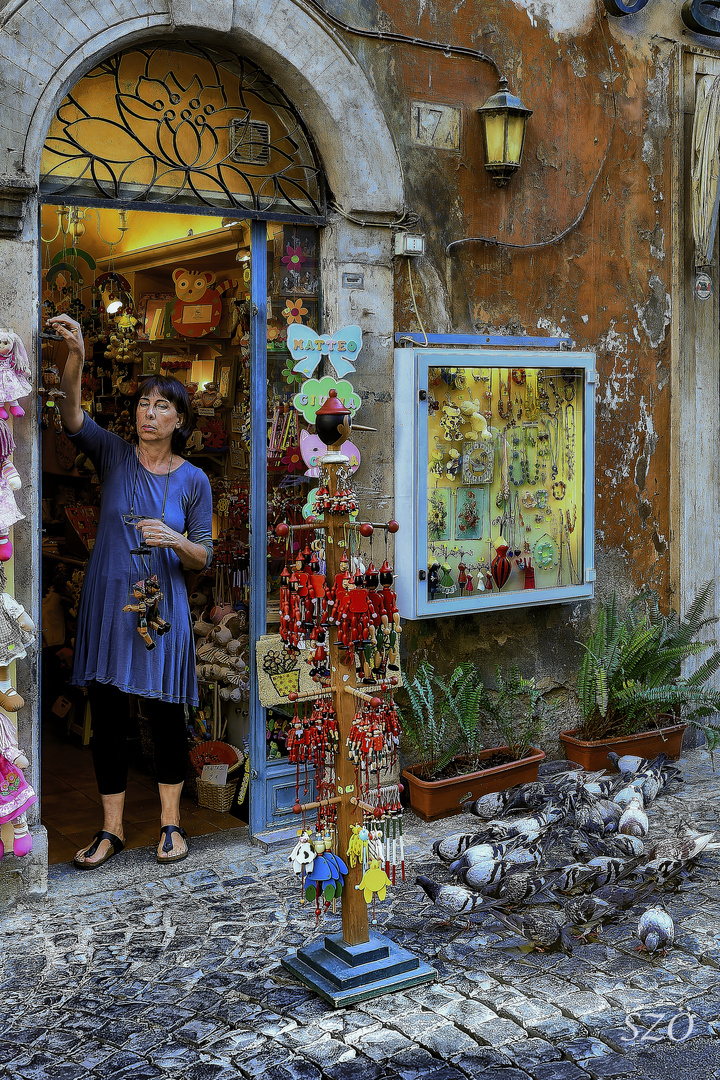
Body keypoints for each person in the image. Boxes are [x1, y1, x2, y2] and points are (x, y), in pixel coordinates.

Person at [48, 313, 213, 869]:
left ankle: (171, 825)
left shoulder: (194, 480)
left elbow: (205, 554)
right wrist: (77, 357)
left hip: (162, 607)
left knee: (165, 714)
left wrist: (173, 538)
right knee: (110, 716)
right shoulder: (114, 454)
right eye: (144, 404)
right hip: (109, 603)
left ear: (180, 420)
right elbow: (71, 414)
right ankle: (111, 829)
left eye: (162, 406)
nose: (149, 412)